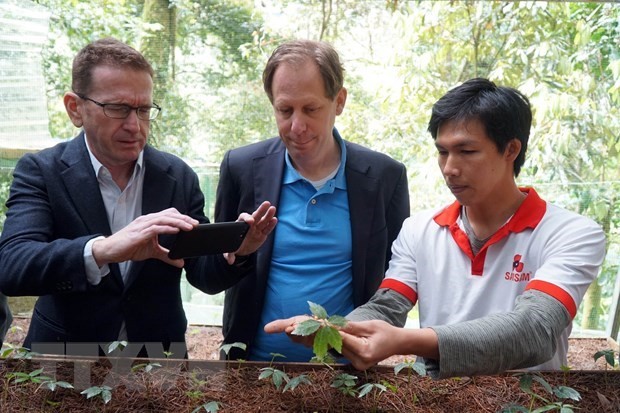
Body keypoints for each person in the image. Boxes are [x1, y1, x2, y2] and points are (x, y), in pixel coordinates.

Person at [266, 78, 606, 378]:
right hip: (433, 399)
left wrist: (408, 341)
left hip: (525, 401)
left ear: (511, 150)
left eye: (466, 151)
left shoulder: (570, 234)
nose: (450, 168)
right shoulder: (420, 231)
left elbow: (534, 330)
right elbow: (387, 307)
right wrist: (335, 330)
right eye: (442, 152)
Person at [0, 38, 277, 358]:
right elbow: (13, 266)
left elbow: (203, 274)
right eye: (117, 108)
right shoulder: (41, 171)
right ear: (75, 108)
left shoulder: (178, 176)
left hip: (158, 359)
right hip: (65, 356)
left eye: (143, 109)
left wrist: (236, 252)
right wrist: (102, 250)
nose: (134, 125)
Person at [205, 39, 410, 361]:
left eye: (311, 109)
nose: (297, 126)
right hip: (253, 367)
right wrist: (239, 253)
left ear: (339, 101)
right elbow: (209, 277)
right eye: (285, 110)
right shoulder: (242, 168)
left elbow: (397, 280)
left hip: (349, 370)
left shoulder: (384, 177)